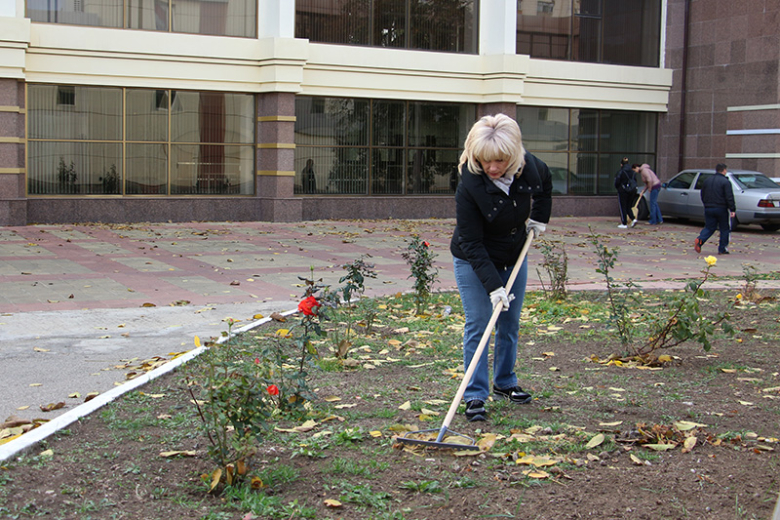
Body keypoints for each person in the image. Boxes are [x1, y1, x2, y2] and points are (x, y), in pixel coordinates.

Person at [449, 114, 552, 422]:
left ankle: (504, 383)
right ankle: (475, 395)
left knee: (509, 324)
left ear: (513, 154)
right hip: (474, 259)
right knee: (480, 324)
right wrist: (494, 287)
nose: (492, 168)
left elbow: (545, 186)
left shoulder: (529, 166)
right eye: (485, 161)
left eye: (500, 161)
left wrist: (539, 219)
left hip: (514, 254)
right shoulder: (469, 184)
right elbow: (472, 243)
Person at [694, 163, 736, 255]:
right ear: (724, 170)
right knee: (724, 229)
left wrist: (706, 204)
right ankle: (722, 249)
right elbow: (729, 196)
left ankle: (700, 239)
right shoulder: (725, 182)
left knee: (709, 227)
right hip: (721, 208)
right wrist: (732, 209)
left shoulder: (707, 180)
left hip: (709, 207)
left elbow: (702, 194)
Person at [614, 157, 638, 228]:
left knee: (623, 207)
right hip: (632, 190)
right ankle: (633, 219)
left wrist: (618, 188)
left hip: (623, 191)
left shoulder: (621, 171)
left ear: (621, 164)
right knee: (629, 206)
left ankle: (624, 223)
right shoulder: (633, 172)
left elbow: (617, 181)